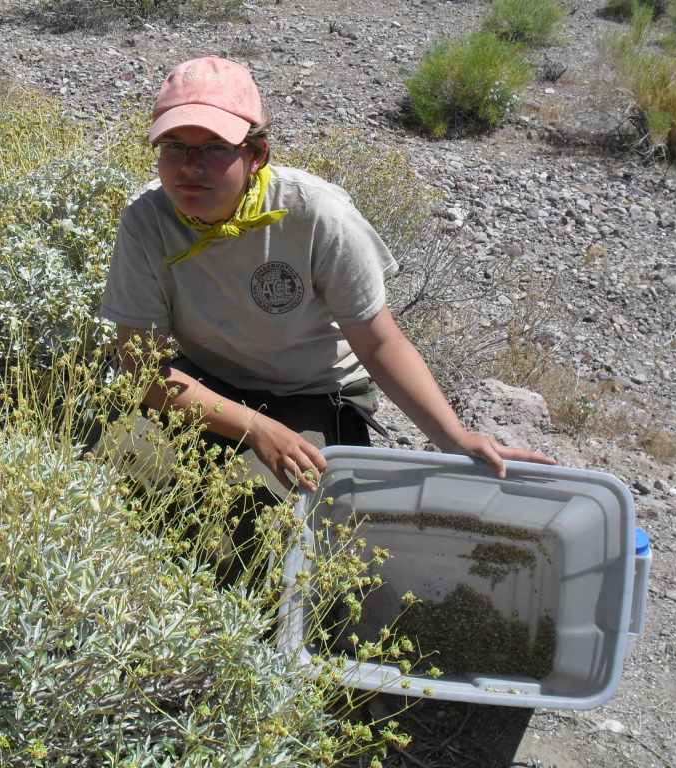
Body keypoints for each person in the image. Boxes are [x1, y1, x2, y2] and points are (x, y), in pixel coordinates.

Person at [99, 55, 554, 506]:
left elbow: (378, 344)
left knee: (265, 514)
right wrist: (253, 426)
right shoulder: (147, 221)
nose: (189, 167)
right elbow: (143, 370)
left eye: (215, 147)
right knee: (119, 493)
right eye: (174, 146)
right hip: (208, 381)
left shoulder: (316, 214)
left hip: (313, 392)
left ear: (256, 154)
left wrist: (454, 438)